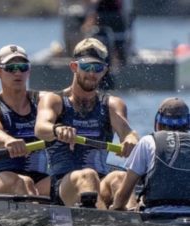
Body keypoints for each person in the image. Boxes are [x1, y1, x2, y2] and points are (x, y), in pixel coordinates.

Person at [34, 37, 138, 208]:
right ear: (74, 67)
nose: (92, 73)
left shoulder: (112, 104)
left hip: (100, 181)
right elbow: (40, 128)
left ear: (104, 71)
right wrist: (57, 129)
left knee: (120, 176)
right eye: (86, 66)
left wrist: (132, 140)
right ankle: (102, 220)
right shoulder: (54, 100)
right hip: (64, 185)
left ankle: (134, 221)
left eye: (97, 68)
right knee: (88, 175)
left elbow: (128, 133)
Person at [0, 44, 50, 195]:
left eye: (22, 67)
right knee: (24, 182)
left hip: (41, 179)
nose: (18, 73)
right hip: (0, 177)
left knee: (79, 178)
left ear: (29, 71)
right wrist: (7, 141)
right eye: (11, 68)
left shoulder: (43, 100)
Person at [111, 97, 190, 213]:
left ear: (158, 122)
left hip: (156, 215)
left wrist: (115, 208)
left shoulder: (147, 141)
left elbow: (123, 195)